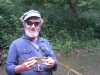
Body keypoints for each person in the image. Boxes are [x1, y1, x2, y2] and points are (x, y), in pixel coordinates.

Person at [5, 10, 58, 75]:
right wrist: (21, 68)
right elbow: (8, 68)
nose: (33, 26)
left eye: (36, 23)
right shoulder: (15, 44)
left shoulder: (45, 42)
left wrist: (53, 64)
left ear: (39, 25)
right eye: (29, 23)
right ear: (24, 24)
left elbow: (55, 63)